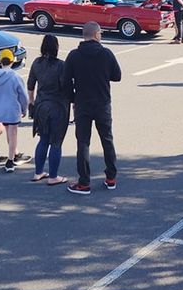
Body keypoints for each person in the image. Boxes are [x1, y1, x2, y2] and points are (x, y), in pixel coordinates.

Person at [64, 22, 122, 195]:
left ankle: (83, 182)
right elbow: (117, 76)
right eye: (101, 33)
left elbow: (65, 82)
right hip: (102, 103)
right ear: (96, 35)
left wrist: (73, 98)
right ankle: (111, 177)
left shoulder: (74, 56)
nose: (101, 35)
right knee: (107, 139)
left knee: (83, 143)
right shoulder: (106, 53)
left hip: (82, 104)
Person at [26, 35, 69, 185]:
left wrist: (31, 102)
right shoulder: (61, 65)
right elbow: (66, 87)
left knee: (43, 140)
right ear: (56, 48)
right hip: (58, 106)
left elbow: (30, 85)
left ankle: (38, 172)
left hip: (41, 106)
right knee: (56, 142)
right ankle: (54, 176)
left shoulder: (36, 63)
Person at [0, 55, 29, 172]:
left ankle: (13, 154)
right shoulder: (15, 76)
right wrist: (24, 109)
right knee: (13, 134)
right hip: (12, 109)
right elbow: (23, 96)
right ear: (12, 61)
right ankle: (11, 160)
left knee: (8, 131)